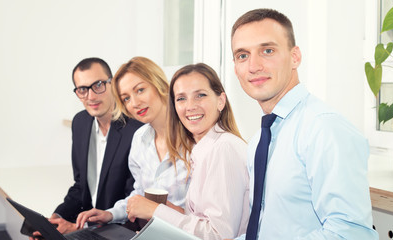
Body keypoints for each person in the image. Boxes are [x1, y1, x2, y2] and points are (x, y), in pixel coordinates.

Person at [231, 9, 378, 239]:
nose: (253, 65)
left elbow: (350, 234)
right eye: (242, 55)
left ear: (295, 57)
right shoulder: (259, 140)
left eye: (267, 50)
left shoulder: (324, 129)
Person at [126, 63, 249, 240]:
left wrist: (155, 210)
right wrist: (169, 209)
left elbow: (219, 234)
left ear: (220, 101)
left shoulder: (224, 148)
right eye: (181, 98)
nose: (190, 106)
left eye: (200, 95)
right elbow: (200, 220)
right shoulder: (203, 149)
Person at [31, 58, 143, 239]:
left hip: (120, 228)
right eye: (82, 89)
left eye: (98, 85)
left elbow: (134, 200)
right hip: (87, 224)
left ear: (112, 83)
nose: (91, 96)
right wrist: (56, 217)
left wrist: (78, 227)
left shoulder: (136, 129)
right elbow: (80, 186)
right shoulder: (81, 122)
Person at [74, 56, 189, 228]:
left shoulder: (193, 139)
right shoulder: (140, 138)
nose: (134, 103)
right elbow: (139, 195)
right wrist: (110, 214)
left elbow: (204, 220)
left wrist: (156, 210)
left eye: (140, 90)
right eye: (126, 98)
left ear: (160, 85)